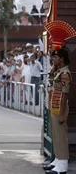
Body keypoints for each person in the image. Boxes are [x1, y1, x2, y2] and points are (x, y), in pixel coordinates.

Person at [43, 20, 76, 174]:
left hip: (60, 106)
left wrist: (62, 113)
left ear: (62, 59)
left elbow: (64, 95)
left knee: (61, 136)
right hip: (54, 105)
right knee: (55, 134)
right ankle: (57, 160)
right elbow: (50, 81)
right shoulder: (57, 71)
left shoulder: (64, 74)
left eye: (55, 58)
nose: (53, 60)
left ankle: (62, 164)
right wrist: (52, 68)